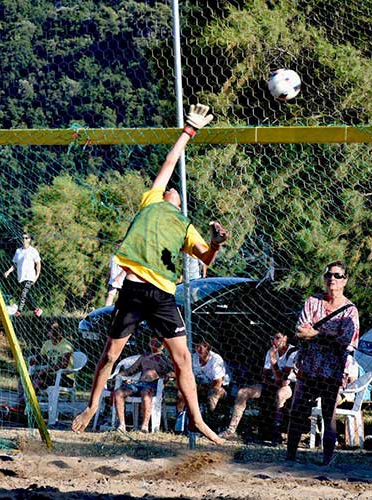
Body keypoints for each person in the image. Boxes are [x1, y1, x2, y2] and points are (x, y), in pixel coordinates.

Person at [71, 104, 228, 444]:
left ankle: (198, 420)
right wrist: (189, 130)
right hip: (134, 290)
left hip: (162, 296)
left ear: (179, 204)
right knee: (110, 355)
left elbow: (206, 257)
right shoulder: (152, 201)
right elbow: (170, 162)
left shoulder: (184, 225)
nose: (172, 189)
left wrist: (215, 243)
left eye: (176, 192)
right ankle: (92, 406)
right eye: (170, 189)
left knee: (183, 359)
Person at [286, 261, 360, 466]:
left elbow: (345, 340)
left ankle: (327, 460)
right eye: (328, 275)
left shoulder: (350, 311)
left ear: (345, 280)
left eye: (337, 275)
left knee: (329, 416)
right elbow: (300, 331)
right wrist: (329, 335)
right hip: (308, 366)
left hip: (333, 371)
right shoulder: (312, 302)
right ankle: (290, 457)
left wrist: (316, 334)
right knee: (297, 412)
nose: (332, 279)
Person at [220, 331, 297, 443]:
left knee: (280, 395)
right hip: (271, 383)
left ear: (285, 338)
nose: (274, 341)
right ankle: (231, 429)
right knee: (243, 392)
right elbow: (264, 375)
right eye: (272, 338)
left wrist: (273, 362)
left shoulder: (292, 352)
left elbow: (284, 380)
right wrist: (272, 378)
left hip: (290, 386)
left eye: (278, 338)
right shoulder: (271, 351)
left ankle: (276, 432)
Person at [113, 338, 173, 432]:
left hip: (152, 385)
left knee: (146, 394)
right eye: (153, 341)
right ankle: (122, 425)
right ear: (149, 343)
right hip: (138, 384)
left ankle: (144, 426)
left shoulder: (164, 359)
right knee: (118, 393)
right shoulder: (144, 356)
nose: (155, 343)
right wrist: (118, 375)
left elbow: (174, 372)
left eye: (158, 342)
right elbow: (131, 370)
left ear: (162, 345)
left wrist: (165, 376)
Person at [18, 321, 74, 408]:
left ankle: (22, 405)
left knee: (38, 381)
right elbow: (42, 357)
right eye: (51, 331)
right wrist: (35, 359)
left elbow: (64, 364)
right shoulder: (47, 344)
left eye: (55, 331)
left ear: (61, 332)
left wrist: (46, 370)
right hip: (48, 376)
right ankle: (23, 403)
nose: (52, 333)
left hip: (64, 377)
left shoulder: (66, 345)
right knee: (23, 380)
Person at [176, 341, 230, 421]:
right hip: (199, 386)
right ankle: (180, 420)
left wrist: (199, 388)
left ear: (209, 348)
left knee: (212, 394)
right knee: (181, 393)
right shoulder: (193, 358)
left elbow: (218, 383)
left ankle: (211, 421)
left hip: (220, 388)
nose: (201, 349)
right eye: (198, 346)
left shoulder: (216, 359)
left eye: (205, 346)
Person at [4, 232, 42, 317]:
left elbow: (38, 263)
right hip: (21, 277)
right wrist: (8, 271)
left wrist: (37, 275)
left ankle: (19, 311)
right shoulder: (18, 251)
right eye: (23, 238)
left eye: (26, 238)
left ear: (29, 240)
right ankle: (36, 309)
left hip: (30, 276)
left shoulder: (33, 251)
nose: (24, 240)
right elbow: (15, 264)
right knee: (25, 294)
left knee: (24, 293)